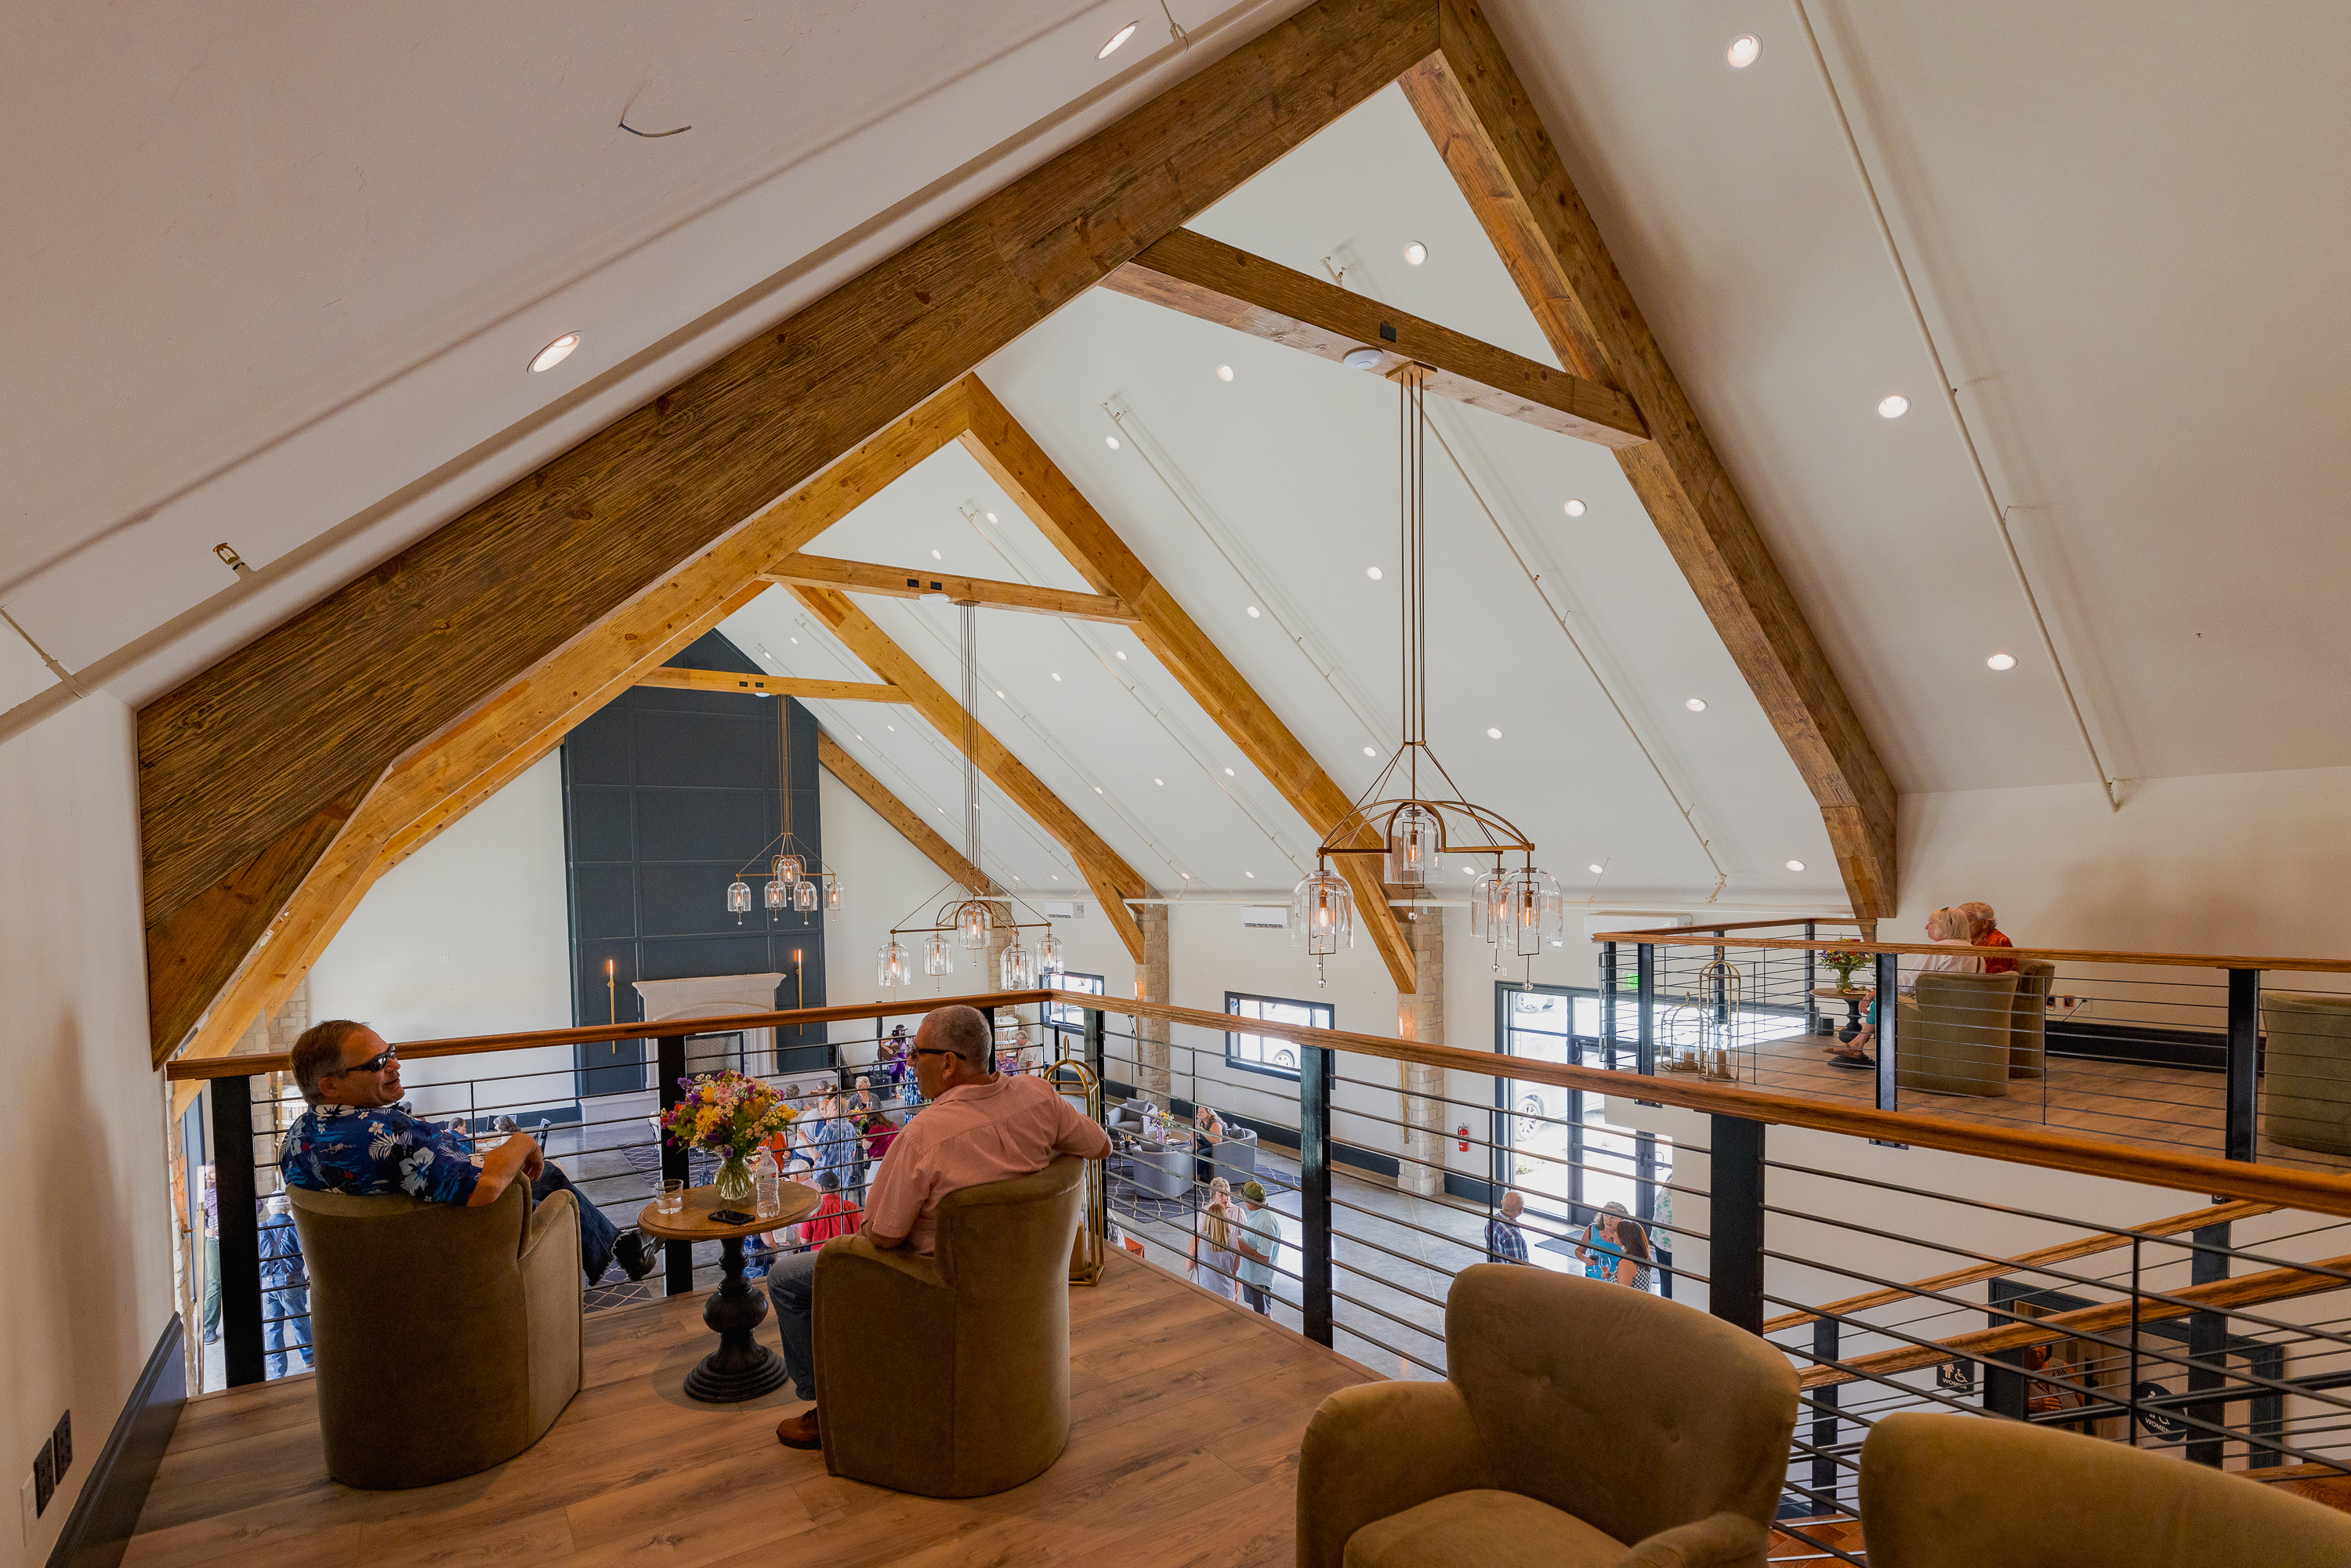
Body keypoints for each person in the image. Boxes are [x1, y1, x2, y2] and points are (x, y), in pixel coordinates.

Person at [767, 1004, 1109, 1450]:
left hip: (936, 1288)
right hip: (1022, 1283)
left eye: (916, 1053)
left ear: (948, 1063)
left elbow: (884, 1236)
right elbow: (1097, 1144)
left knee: (787, 1279)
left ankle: (832, 1406)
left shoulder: (924, 1136)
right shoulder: (1039, 1096)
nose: (908, 1062)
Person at [278, 1019, 659, 1287]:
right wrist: (523, 1141)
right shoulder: (387, 1132)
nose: (395, 1064)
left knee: (538, 1178)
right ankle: (621, 1252)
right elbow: (486, 1187)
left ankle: (621, 1249)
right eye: (378, 1063)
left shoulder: (295, 1139)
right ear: (331, 1086)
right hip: (447, 1260)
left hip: (368, 1276)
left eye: (390, 1052)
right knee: (548, 1185)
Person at [1829, 907, 1987, 1066]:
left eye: (1930, 922)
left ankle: (1857, 1045)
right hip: (1964, 1010)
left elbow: (1908, 983)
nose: (1926, 927)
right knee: (1886, 995)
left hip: (1936, 1011)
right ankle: (1857, 1044)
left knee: (1885, 997)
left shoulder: (1939, 949)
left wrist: (1872, 993)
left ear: (1944, 925)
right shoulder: (1976, 952)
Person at [257, 1193, 313, 1379]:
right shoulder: (295, 1227)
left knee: (272, 1327)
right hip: (290, 1281)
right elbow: (306, 1253)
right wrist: (312, 1275)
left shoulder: (260, 1228)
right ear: (288, 1208)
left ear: (270, 1207)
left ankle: (276, 1372)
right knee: (299, 1320)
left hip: (267, 1283)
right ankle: (309, 1357)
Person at [1235, 1179, 1282, 1316]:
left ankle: (1269, 1336)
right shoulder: (1258, 1215)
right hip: (1252, 1275)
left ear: (1250, 1202)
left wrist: (1243, 1247)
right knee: (1259, 1311)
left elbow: (1265, 1257)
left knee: (1263, 1313)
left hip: (1259, 1279)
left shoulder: (1266, 1223)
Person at [1191, 1175, 1238, 1299]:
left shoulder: (1238, 1212)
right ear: (1213, 1196)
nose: (1225, 1198)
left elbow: (1188, 1265)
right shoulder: (1205, 1211)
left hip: (1217, 1276)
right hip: (1217, 1280)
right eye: (1221, 1195)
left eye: (1227, 1194)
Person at [796, 1171, 861, 1248]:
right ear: (837, 1187)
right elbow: (860, 1234)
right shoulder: (851, 1207)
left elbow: (804, 1241)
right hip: (845, 1254)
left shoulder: (812, 1209)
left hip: (820, 1255)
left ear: (821, 1188)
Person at [1958, 900, 2017, 974]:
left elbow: (1995, 980)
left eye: (1967, 921)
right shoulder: (1970, 941)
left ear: (1985, 923)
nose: (1962, 926)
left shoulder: (1999, 941)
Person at [1484, 1189, 1531, 1265]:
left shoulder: (1492, 1221)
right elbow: (1517, 1267)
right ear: (1521, 1210)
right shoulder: (1513, 1235)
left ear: (1502, 1203)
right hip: (1507, 1275)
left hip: (1493, 1269)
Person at [1192, 1105, 1225, 1189]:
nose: (1199, 1113)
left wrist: (1203, 1133)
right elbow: (1193, 1131)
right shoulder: (1200, 1122)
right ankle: (1192, 1173)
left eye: (1202, 1112)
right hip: (1209, 1145)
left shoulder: (1215, 1124)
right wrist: (1194, 1141)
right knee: (1195, 1149)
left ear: (1208, 1114)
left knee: (1201, 1153)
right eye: (1198, 1112)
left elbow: (1218, 1141)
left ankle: (1197, 1178)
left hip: (1221, 1148)